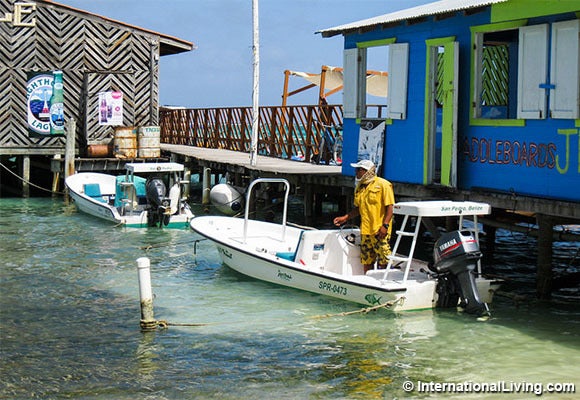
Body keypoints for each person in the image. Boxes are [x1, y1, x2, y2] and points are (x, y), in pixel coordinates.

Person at [333, 159, 395, 274]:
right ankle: (368, 280)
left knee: (384, 259)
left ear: (365, 171)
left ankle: (385, 280)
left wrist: (385, 225)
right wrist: (345, 217)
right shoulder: (360, 187)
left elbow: (390, 207)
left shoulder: (383, 185)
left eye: (358, 170)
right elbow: (358, 209)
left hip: (379, 230)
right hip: (366, 230)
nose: (356, 172)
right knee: (366, 259)